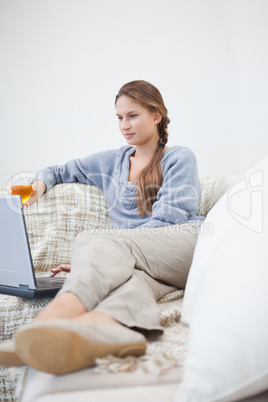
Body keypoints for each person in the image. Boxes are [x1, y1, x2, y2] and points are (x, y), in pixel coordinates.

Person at [0, 80, 204, 375]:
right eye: (120, 117)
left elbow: (167, 221)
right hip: (146, 264)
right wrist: (38, 185)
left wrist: (102, 260)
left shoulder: (179, 157)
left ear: (156, 115)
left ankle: (48, 322)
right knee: (131, 283)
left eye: (133, 115)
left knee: (95, 239)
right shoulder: (111, 162)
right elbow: (57, 170)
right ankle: (102, 330)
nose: (124, 125)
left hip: (186, 245)